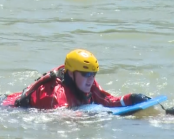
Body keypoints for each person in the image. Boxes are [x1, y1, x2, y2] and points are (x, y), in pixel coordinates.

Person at [0, 49, 150, 109]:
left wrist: (132, 99)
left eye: (93, 74)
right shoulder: (56, 95)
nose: (90, 79)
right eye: (86, 74)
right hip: (7, 108)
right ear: (71, 73)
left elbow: (107, 100)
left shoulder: (87, 82)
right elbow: (59, 120)